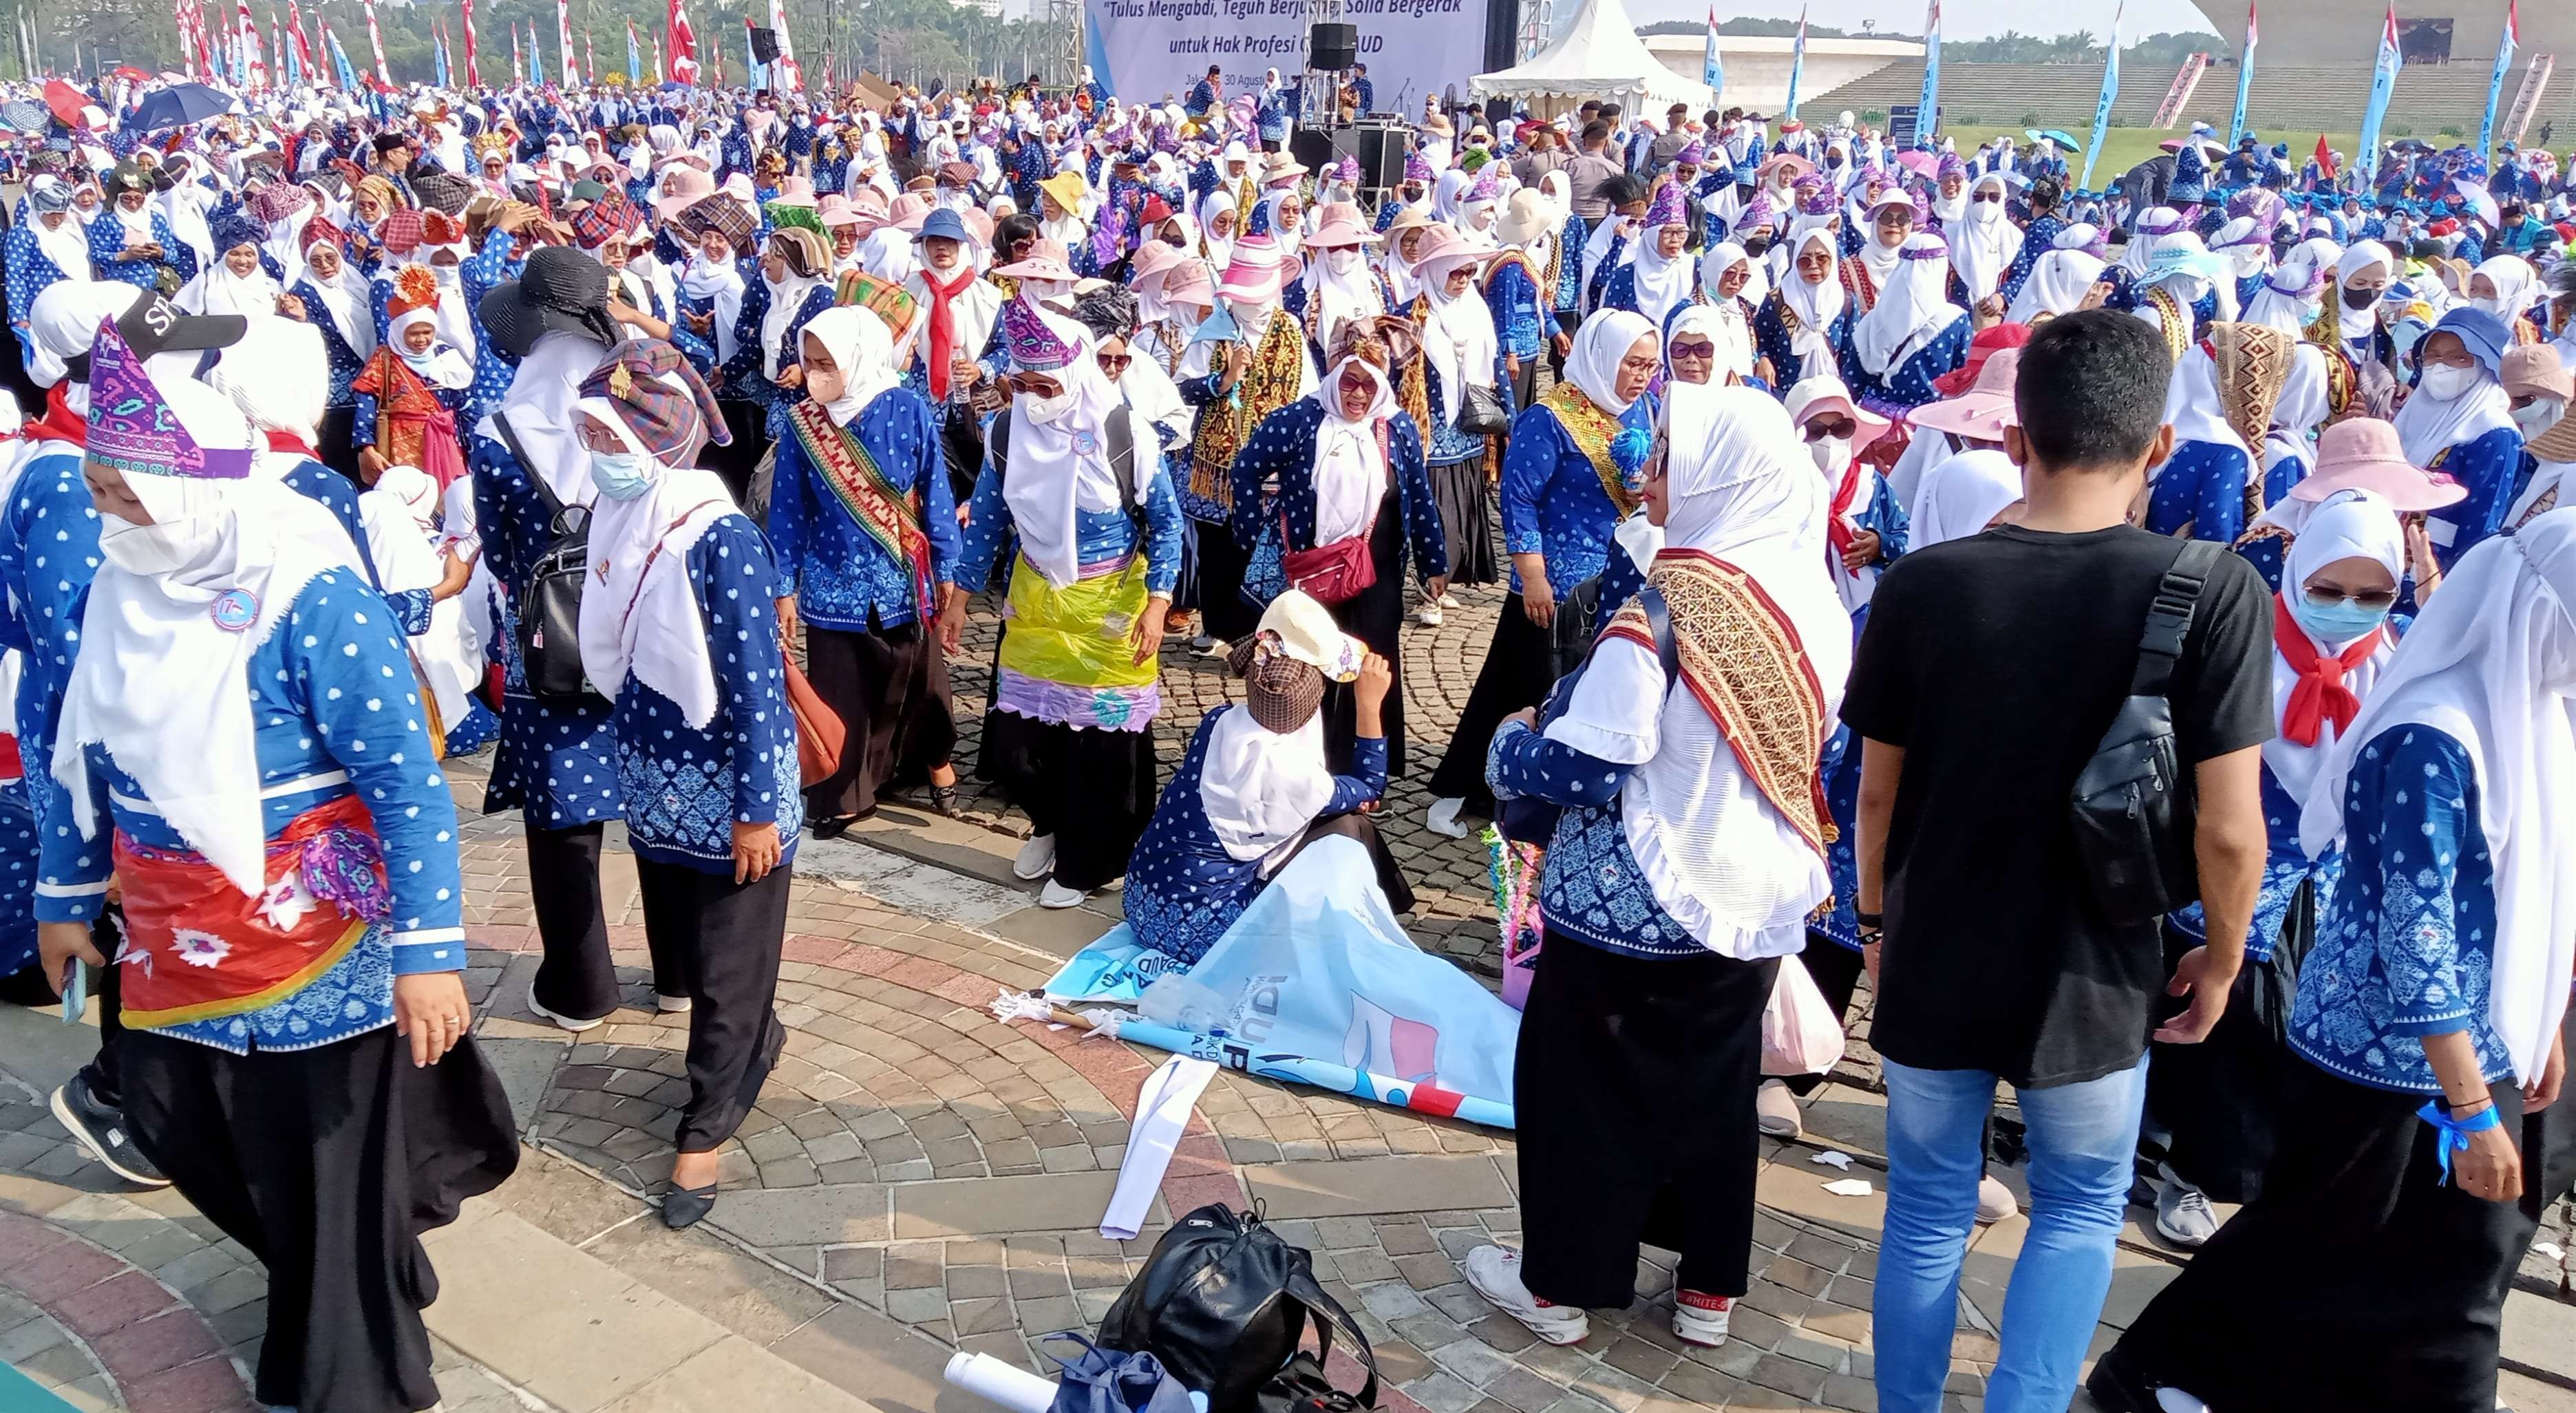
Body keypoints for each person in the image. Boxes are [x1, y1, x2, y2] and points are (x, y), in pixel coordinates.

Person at [38, 306, 513, 1413]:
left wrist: (429, 953)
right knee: (170, 1117)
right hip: (172, 931)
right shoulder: (123, 583)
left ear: (199, 486)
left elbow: (404, 784)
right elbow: (83, 737)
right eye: (105, 492)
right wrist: (65, 894)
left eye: (128, 495)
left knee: (325, 1165)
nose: (111, 516)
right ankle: (356, 1274)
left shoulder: (310, 595)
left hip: (320, 937)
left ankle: (354, 1373)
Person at [1846, 310, 2273, 1413]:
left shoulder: (1924, 584)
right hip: (2096, 963)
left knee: (1928, 1205)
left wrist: (1875, 928)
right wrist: (2220, 962)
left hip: (1939, 935)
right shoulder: (2211, 588)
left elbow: (1875, 791)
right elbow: (2230, 830)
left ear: (2013, 438)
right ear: (2158, 447)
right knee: (2079, 1205)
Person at [2092, 510, 2576, 1413]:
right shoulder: (2431, 738)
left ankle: (2166, 1372)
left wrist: (2540, 1012)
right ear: (2538, 616)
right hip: (2390, 1048)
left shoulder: (2525, 714)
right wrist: (2468, 1105)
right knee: (2413, 1249)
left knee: (2348, 1241)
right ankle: (2160, 1372)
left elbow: (2538, 887)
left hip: (2473, 1036)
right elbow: (2414, 931)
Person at [1460, 382, 1849, 1352]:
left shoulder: (1662, 611)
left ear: (1721, 476)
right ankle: (1705, 1291)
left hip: (1634, 895)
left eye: (1669, 456)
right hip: (1753, 893)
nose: (1646, 471)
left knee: (1579, 1090)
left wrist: (1508, 748)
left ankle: (1556, 1284)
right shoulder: (1815, 600)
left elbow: (1594, 761)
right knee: (1713, 1094)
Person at [567, 337, 796, 1229]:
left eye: (611, 440)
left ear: (658, 443)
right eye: (589, 438)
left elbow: (752, 685)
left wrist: (753, 812)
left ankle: (701, 1133)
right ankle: (751, 1048)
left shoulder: (720, 539)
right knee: (702, 963)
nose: (599, 459)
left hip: (735, 801)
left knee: (729, 970)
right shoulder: (621, 521)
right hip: (657, 792)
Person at [941, 295, 1184, 907]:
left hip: (1112, 605)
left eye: (1044, 383)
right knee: (1016, 748)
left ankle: (1086, 861)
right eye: (1021, 382)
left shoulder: (1125, 434)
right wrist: (960, 597)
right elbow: (990, 517)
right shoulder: (1006, 429)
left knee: (1101, 751)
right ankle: (1048, 824)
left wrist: (1158, 602)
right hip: (1036, 603)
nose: (1032, 395)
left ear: (1076, 373)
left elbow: (1167, 523)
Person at [468, 247, 638, 1032]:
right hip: (641, 626)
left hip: (549, 645)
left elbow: (501, 558)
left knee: (564, 818)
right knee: (657, 801)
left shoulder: (499, 430)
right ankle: (675, 972)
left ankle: (580, 985)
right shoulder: (639, 401)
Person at [1423, 310, 1659, 836]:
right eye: (1632, 364)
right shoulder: (1550, 418)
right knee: (1528, 687)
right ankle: (1503, 785)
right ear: (1602, 359)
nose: (1641, 375)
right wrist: (1531, 573)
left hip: (1619, 577)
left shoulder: (1642, 409)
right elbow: (1518, 497)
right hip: (1554, 584)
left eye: (1649, 365)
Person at [1122, 592, 1405, 964]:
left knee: (1338, 812)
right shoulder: (1298, 776)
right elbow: (1369, 785)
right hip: (1206, 933)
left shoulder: (1218, 722)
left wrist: (1330, 796)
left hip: (1144, 903)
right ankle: (1381, 922)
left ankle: (1387, 910)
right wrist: (1369, 706)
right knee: (1350, 826)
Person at [769, 305, 964, 829]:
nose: (815, 374)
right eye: (808, 362)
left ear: (858, 356)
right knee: (842, 693)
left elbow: (935, 491)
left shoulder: (906, 408)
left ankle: (935, 761)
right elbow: (787, 508)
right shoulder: (802, 423)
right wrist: (782, 585)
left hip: (902, 572)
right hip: (832, 578)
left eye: (826, 363)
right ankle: (844, 793)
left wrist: (947, 567)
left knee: (922, 681)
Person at [1227, 318, 1447, 774]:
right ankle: (1311, 762)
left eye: (1370, 385)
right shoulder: (1299, 420)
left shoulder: (1396, 426)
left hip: (1377, 569)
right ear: (1333, 377)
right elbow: (1245, 467)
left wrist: (1433, 562)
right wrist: (1251, 535)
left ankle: (1368, 766)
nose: (1358, 395)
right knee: (1312, 657)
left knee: (1371, 659)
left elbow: (1418, 495)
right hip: (1311, 569)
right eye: (1350, 382)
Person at [2396, 307, 2526, 571]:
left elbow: (2481, 526)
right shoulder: (2411, 416)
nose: (2441, 366)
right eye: (2432, 357)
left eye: (2459, 358)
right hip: (2386, 560)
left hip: (2435, 573)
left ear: (2484, 364)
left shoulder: (2494, 433)